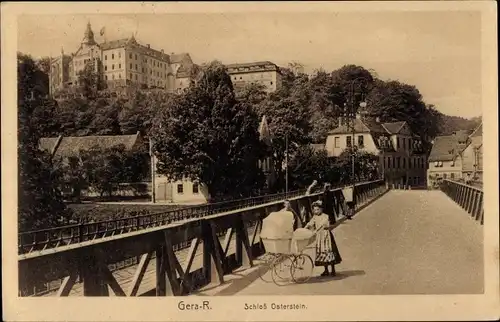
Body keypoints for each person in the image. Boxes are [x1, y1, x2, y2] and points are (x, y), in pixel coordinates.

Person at [304, 200, 342, 277]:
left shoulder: (325, 216)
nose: (316, 211)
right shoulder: (314, 217)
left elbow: (326, 225)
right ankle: (326, 270)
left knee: (329, 251)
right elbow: (310, 223)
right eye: (314, 210)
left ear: (321, 209)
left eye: (317, 209)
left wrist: (319, 229)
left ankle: (333, 269)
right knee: (322, 253)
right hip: (319, 237)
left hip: (326, 236)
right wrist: (305, 228)